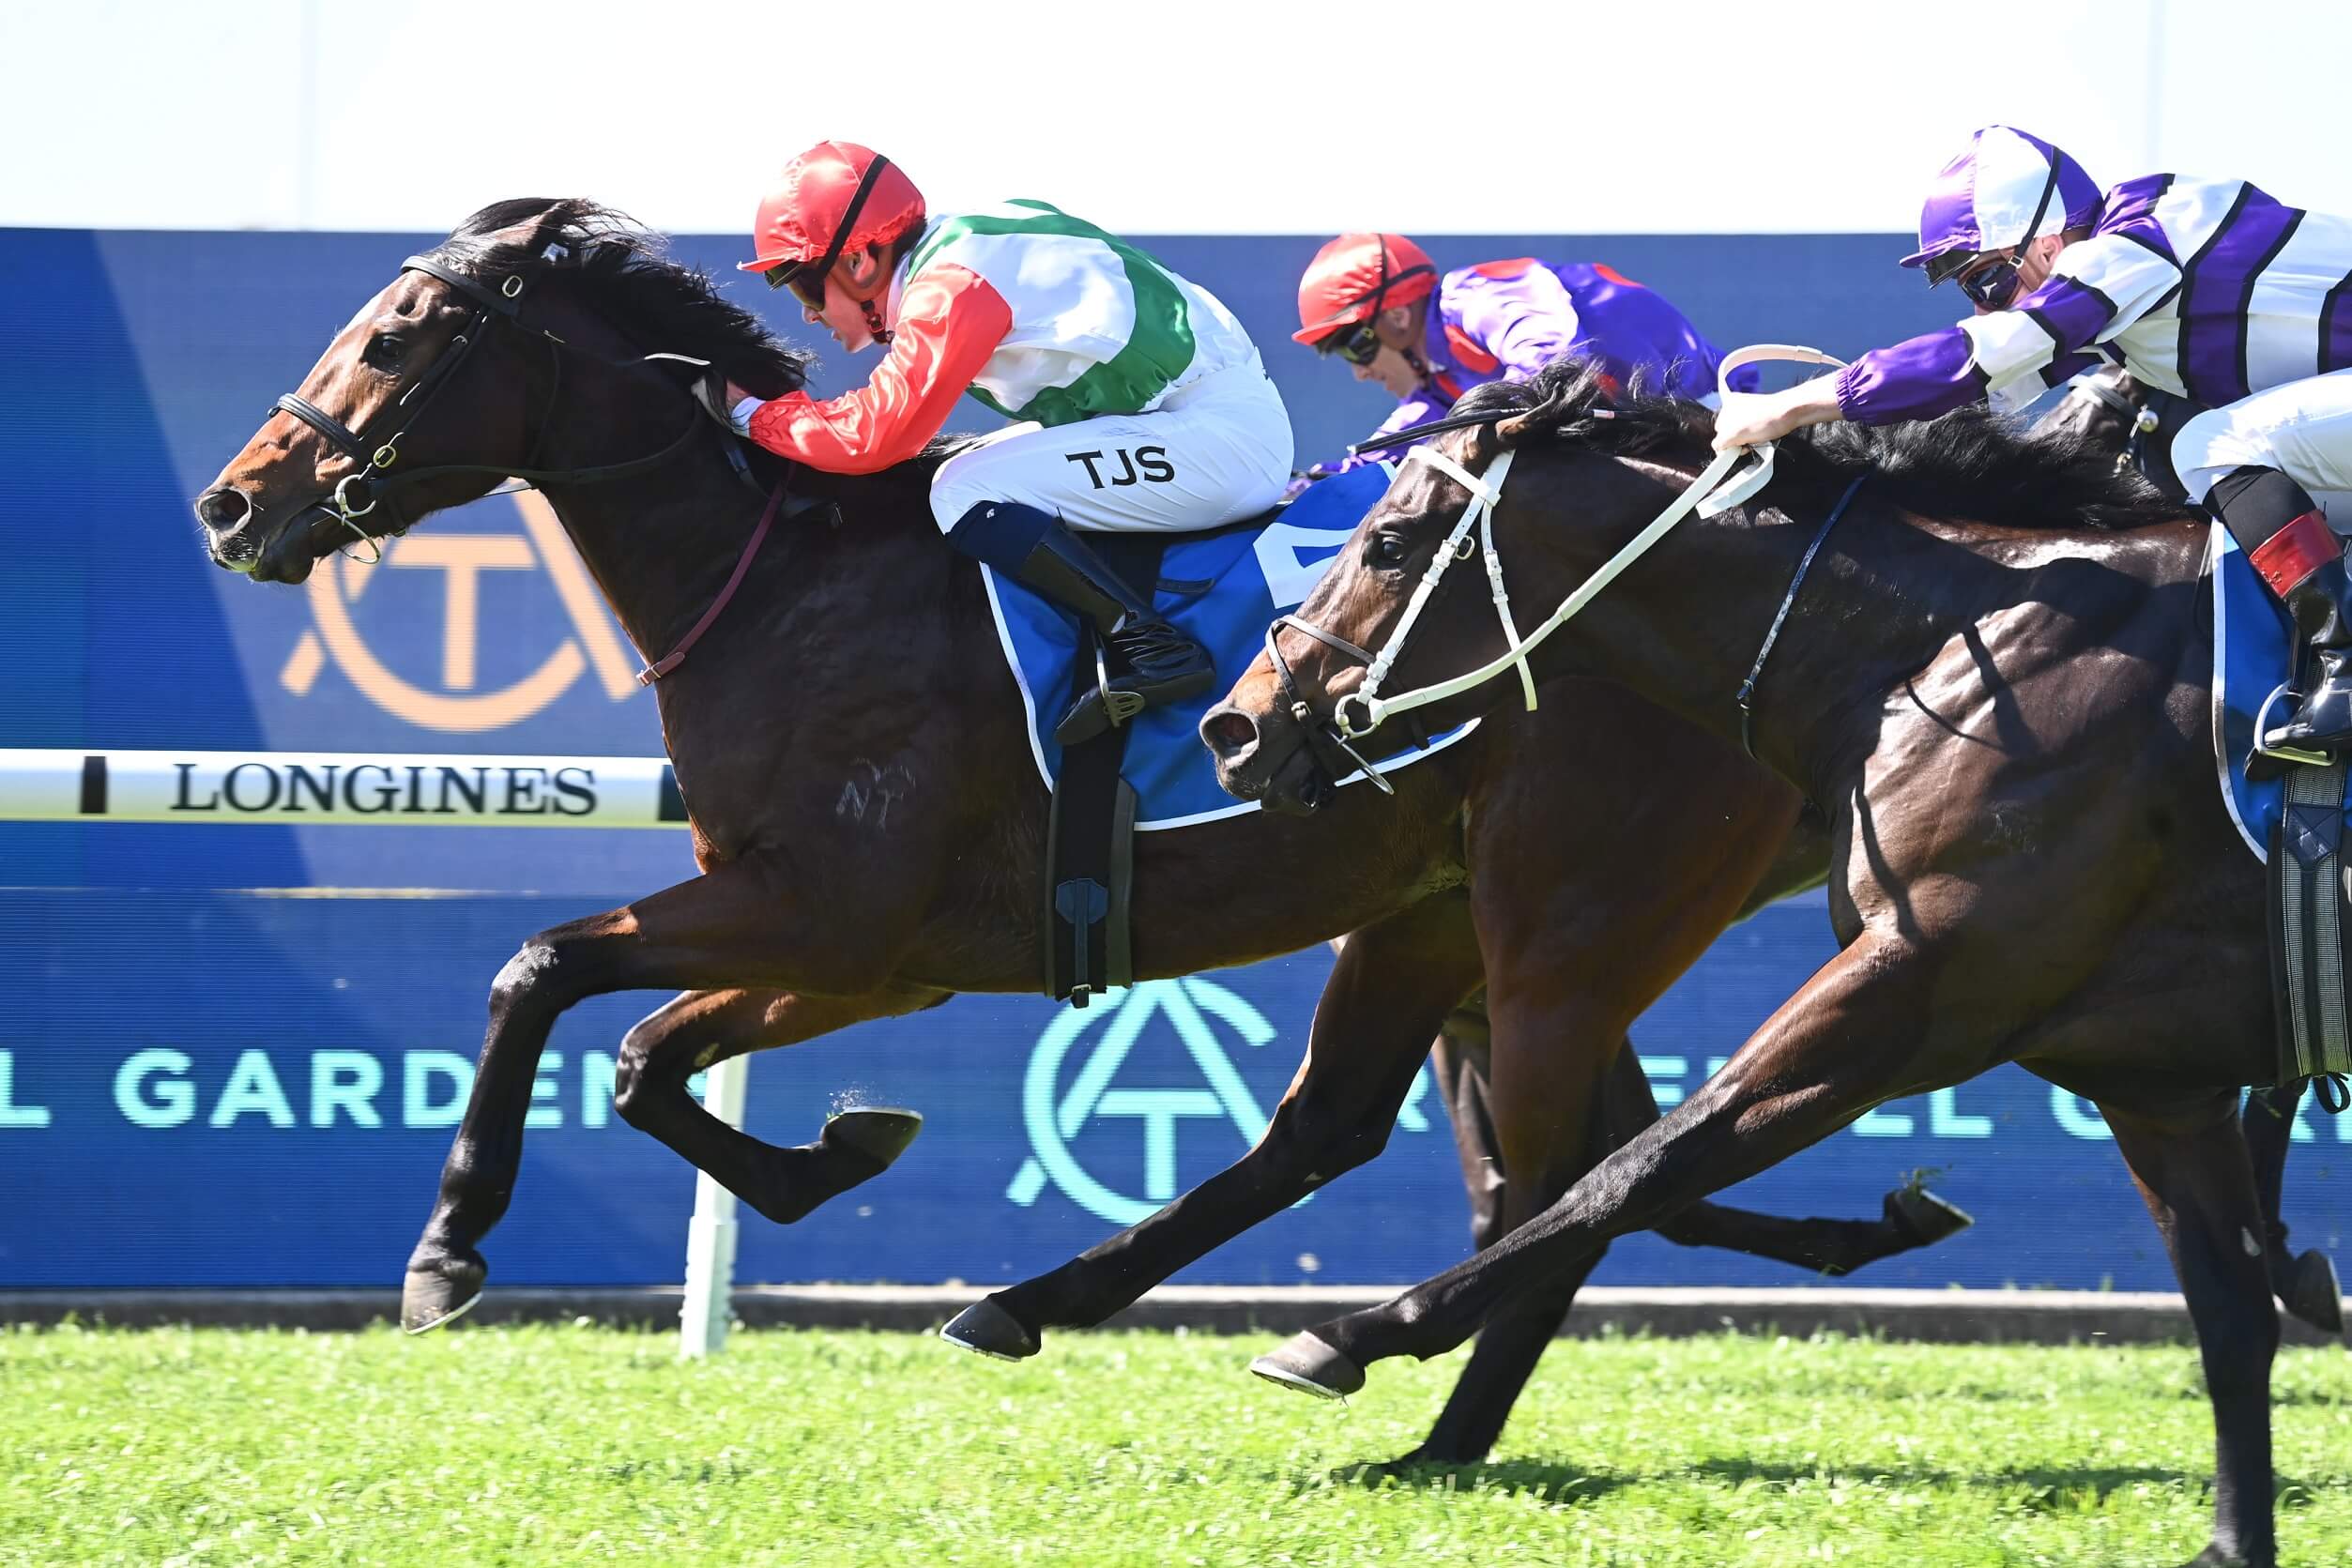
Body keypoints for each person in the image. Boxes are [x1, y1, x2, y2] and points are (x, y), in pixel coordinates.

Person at [1713, 124, 2352, 758]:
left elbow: (1981, 356)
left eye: (1986, 281)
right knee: (2275, 511)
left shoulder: (2132, 246)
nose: (1983, 307)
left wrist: (1788, 407)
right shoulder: (2122, 281)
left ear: (2046, 245)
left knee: (2209, 448)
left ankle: (2344, 671)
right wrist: (1830, 435)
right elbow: (1980, 390)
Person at [714, 142, 1294, 744]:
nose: (808, 316)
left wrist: (751, 415)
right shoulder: (963, 244)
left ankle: (1152, 646)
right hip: (1198, 418)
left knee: (961, 489)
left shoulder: (950, 284)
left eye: (804, 289)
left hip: (1219, 440)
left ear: (859, 260)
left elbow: (873, 437)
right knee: (970, 468)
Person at [1291, 233, 1757, 475]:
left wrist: (1471, 430)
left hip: (1709, 417)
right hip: (1647, 440)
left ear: (1396, 316)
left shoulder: (1474, 295)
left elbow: (1557, 362)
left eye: (1355, 345)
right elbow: (1408, 438)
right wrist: (1318, 483)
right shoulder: (1438, 376)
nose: (1360, 372)